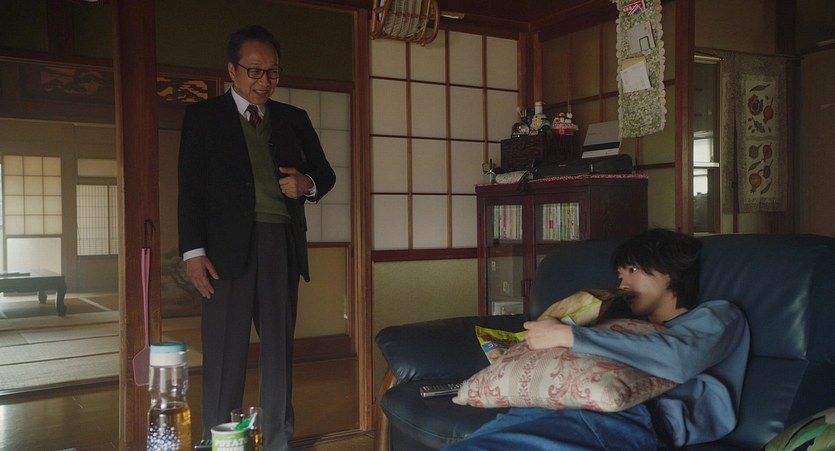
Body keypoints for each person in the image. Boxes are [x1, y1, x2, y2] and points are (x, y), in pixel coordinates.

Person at [444, 228, 750, 450]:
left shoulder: (717, 315)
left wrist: (569, 336)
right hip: (556, 405)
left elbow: (680, 359)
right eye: (620, 276)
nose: (624, 283)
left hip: (633, 416)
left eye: (633, 270)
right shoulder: (622, 324)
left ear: (669, 272)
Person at [177, 24, 335, 451]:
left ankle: (278, 440)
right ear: (232, 70)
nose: (265, 81)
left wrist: (306, 184)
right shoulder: (204, 117)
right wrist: (193, 253)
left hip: (279, 244)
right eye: (254, 71)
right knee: (223, 352)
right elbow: (190, 189)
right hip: (223, 252)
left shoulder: (294, 119)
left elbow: (325, 174)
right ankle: (220, 441)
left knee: (278, 350)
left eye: (273, 72)